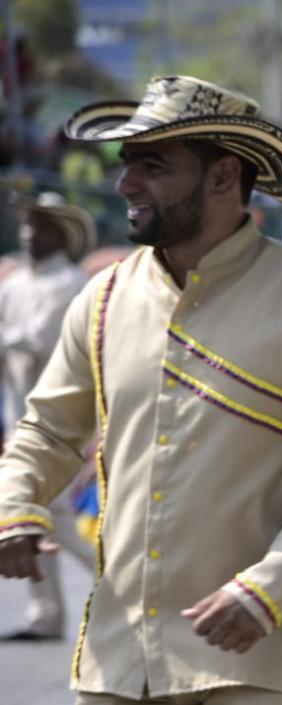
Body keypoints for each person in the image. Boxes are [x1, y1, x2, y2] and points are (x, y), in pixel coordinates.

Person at [0, 75, 282, 704]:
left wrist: (269, 586)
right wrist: (14, 507)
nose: (126, 184)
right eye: (128, 165)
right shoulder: (102, 300)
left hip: (257, 655)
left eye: (152, 166)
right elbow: (46, 430)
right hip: (117, 659)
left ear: (221, 176)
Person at [0, 192, 97, 642]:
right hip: (19, 417)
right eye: (27, 224)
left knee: (48, 515)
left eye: (39, 225)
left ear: (61, 234)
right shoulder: (15, 285)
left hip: (62, 420)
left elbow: (39, 341)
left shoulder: (71, 284)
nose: (28, 233)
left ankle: (124, 581)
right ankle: (47, 614)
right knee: (30, 514)